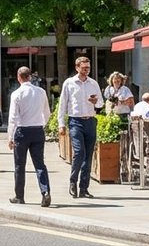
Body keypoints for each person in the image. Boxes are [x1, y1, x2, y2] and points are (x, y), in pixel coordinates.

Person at [57, 56, 102, 199]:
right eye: (83, 68)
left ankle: (84, 188)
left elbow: (101, 103)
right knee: (79, 152)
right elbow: (63, 104)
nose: (86, 71)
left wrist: (96, 102)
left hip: (90, 120)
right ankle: (72, 182)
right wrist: (61, 124)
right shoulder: (69, 83)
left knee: (88, 156)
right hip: (75, 121)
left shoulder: (93, 83)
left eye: (88, 68)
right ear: (77, 68)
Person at [7, 66, 51, 206]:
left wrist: (10, 137)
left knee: (20, 165)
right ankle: (45, 192)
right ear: (30, 77)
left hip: (22, 131)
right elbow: (47, 113)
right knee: (40, 164)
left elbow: (13, 118)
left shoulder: (16, 94)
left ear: (19, 77)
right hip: (38, 130)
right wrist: (41, 124)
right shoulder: (41, 92)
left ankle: (19, 196)